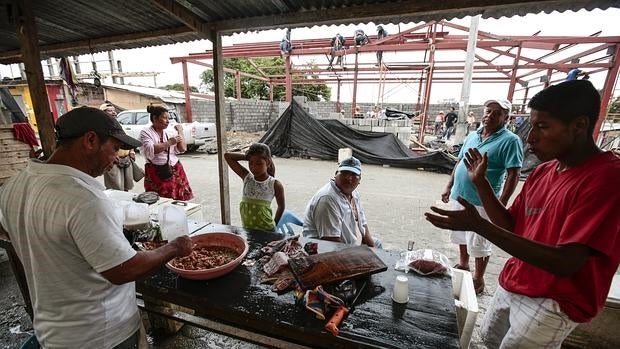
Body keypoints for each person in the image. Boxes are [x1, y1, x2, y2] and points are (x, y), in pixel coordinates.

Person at [426, 79, 620, 348]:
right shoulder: (543, 172)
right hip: (515, 281)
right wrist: (481, 184)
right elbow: (510, 224)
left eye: (542, 127)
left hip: (554, 300)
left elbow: (567, 262)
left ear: (579, 126)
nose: (530, 138)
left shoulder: (606, 178)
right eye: (532, 125)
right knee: (488, 342)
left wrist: (479, 226)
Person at [0, 107, 192, 348]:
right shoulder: (84, 199)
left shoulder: (16, 184)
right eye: (113, 148)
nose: (115, 158)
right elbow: (122, 270)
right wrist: (174, 248)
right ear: (90, 140)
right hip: (102, 334)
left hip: (51, 332)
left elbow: (6, 229)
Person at [441, 98, 523, 295]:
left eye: (497, 113)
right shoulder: (473, 135)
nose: (490, 116)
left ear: (506, 117)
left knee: (480, 241)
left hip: (483, 201)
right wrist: (449, 186)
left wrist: (501, 202)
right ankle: (463, 263)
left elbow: (514, 173)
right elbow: (460, 162)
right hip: (459, 194)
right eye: (488, 111)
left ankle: (478, 277)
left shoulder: (511, 141)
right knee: (460, 233)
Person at [302, 157, 380, 247]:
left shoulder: (354, 194)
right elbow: (331, 244)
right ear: (336, 174)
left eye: (354, 174)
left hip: (349, 243)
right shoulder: (327, 199)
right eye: (344, 173)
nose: (349, 178)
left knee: (377, 244)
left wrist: (373, 248)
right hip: (324, 250)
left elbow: (363, 225)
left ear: (359, 180)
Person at [224, 143, 285, 232]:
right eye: (250, 163)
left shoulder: (274, 184)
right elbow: (227, 156)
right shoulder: (247, 178)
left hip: (267, 230)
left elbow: (281, 206)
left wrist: (274, 225)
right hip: (248, 230)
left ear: (268, 162)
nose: (253, 167)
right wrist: (247, 157)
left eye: (258, 163)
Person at [139, 104, 193, 201]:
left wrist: (180, 131)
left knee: (179, 198)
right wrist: (169, 142)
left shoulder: (170, 131)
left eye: (168, 118)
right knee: (159, 200)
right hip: (155, 171)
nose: (167, 121)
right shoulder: (145, 132)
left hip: (175, 168)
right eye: (164, 118)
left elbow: (182, 148)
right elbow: (151, 149)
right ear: (154, 118)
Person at [100, 102, 138, 191]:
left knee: (126, 187)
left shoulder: (118, 125)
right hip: (113, 161)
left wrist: (131, 151)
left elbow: (127, 139)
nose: (114, 113)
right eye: (110, 111)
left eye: (114, 111)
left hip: (126, 160)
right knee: (115, 188)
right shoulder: (102, 128)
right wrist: (111, 156)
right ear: (103, 113)